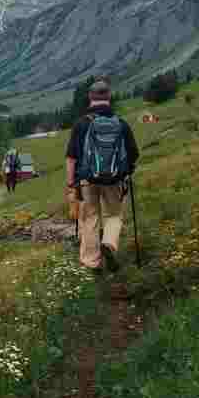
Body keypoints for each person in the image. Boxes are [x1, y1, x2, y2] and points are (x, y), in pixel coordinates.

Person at [65, 77, 139, 273]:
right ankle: (108, 242)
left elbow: (71, 157)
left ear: (90, 97)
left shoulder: (81, 124)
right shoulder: (120, 124)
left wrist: (71, 183)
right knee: (114, 214)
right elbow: (133, 153)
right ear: (109, 97)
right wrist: (127, 171)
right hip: (114, 179)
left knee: (90, 219)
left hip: (87, 180)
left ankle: (92, 262)